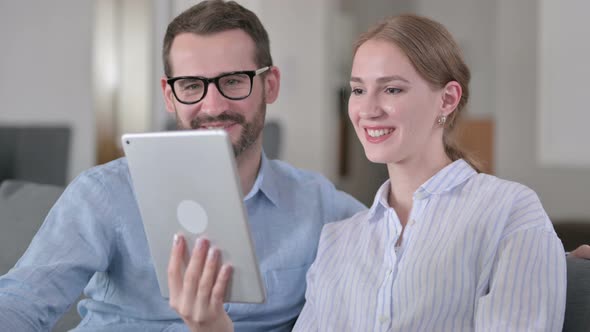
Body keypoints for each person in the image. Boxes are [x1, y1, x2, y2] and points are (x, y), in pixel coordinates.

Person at [0, 1, 365, 331]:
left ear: (269, 85)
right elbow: (21, 302)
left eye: (234, 81)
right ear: (169, 95)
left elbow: (404, 248)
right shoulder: (103, 193)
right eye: (191, 85)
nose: (212, 105)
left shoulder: (318, 205)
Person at [290, 14, 568, 331]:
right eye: (358, 90)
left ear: (447, 99)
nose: (368, 110)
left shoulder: (509, 210)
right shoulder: (336, 241)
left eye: (392, 89)